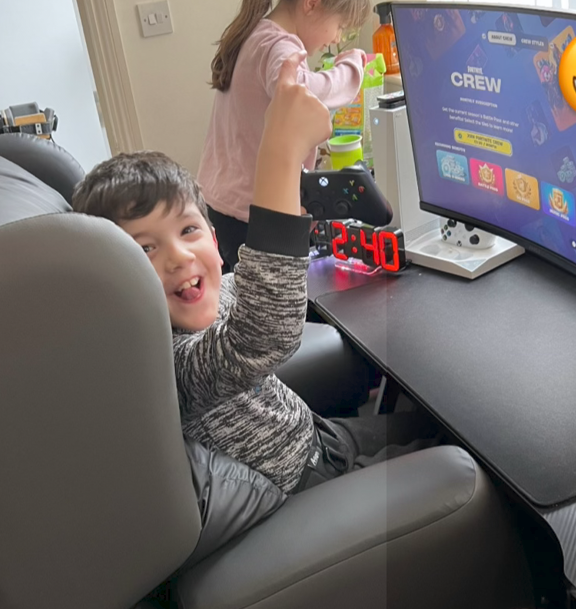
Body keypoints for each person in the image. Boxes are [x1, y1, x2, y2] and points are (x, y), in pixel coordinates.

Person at [72, 55, 442, 495]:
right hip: (311, 481)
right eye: (145, 248)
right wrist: (280, 150)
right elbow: (261, 333)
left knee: (439, 426)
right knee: (466, 465)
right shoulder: (168, 363)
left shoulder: (198, 297)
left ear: (213, 237)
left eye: (188, 231)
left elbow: (246, 286)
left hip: (318, 437)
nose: (179, 257)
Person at [199, 0, 371, 271]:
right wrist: (352, 68)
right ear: (312, 4)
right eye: (340, 26)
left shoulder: (257, 33)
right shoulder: (279, 45)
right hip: (250, 213)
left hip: (223, 201)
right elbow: (302, 94)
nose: (336, 39)